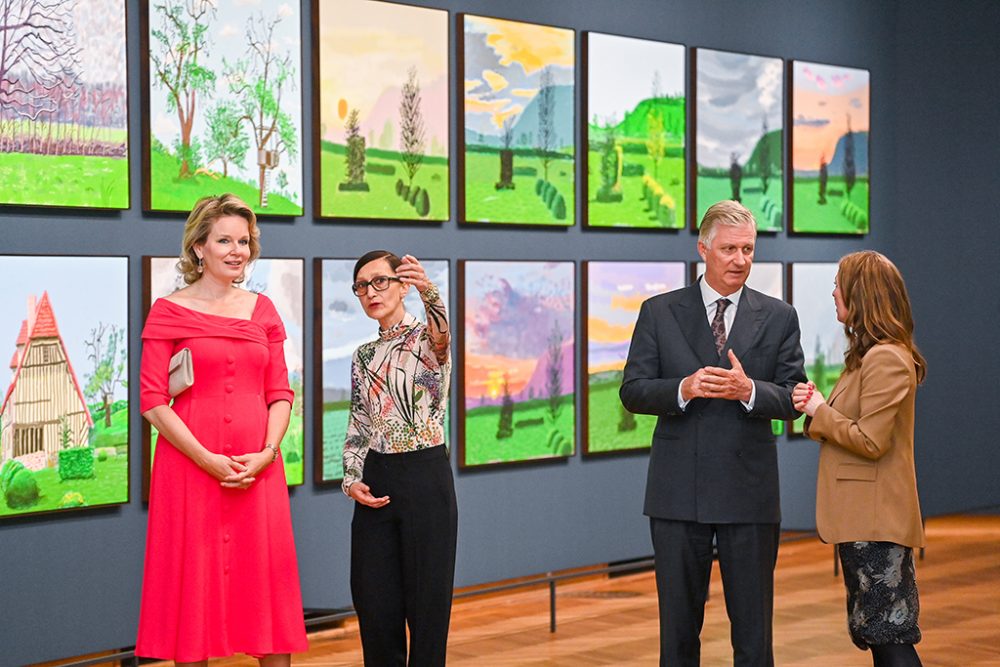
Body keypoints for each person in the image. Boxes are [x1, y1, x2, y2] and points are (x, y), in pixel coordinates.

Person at [620, 200, 806, 667]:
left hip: (750, 495)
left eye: (747, 249)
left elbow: (793, 399)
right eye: (729, 249)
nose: (740, 260)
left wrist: (749, 391)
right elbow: (633, 391)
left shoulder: (780, 316)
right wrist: (683, 388)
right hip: (678, 495)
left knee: (754, 638)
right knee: (678, 637)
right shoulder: (659, 312)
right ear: (703, 249)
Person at [137, 194, 307, 665]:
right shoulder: (168, 310)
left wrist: (268, 452)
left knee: (267, 594)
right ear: (198, 248)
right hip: (190, 471)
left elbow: (281, 394)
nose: (238, 250)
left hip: (257, 469)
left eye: (245, 241)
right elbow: (152, 400)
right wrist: (206, 459)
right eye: (225, 240)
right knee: (192, 592)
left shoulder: (264, 309)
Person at [793, 251, 926, 667]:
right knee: (878, 633)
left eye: (838, 284)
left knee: (890, 635)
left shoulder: (886, 358)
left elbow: (870, 441)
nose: (833, 292)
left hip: (877, 523)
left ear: (860, 295)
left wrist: (818, 409)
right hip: (863, 522)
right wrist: (818, 408)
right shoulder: (867, 357)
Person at [343, 250, 457, 667]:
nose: (370, 292)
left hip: (425, 476)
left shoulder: (427, 339)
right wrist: (351, 477)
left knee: (427, 609)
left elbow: (443, 336)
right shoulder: (363, 355)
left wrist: (430, 290)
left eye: (380, 281)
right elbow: (359, 423)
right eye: (361, 286)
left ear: (403, 285)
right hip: (376, 480)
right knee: (374, 603)